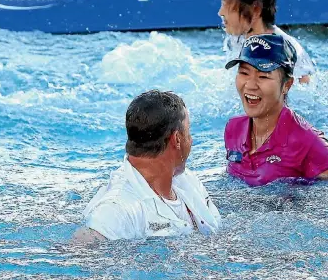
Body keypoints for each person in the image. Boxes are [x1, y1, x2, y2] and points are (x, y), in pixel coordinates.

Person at [71, 90, 221, 243]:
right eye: (188, 132)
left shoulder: (187, 181)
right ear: (177, 139)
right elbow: (77, 253)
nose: (191, 140)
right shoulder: (117, 208)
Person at [223, 34, 328, 187]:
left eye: (263, 76)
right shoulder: (233, 129)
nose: (250, 85)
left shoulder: (308, 141)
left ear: (287, 85)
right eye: (244, 73)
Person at [218, 0, 316, 84]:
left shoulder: (287, 51)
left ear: (256, 9)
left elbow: (306, 92)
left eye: (226, 5)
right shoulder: (238, 38)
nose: (221, 12)